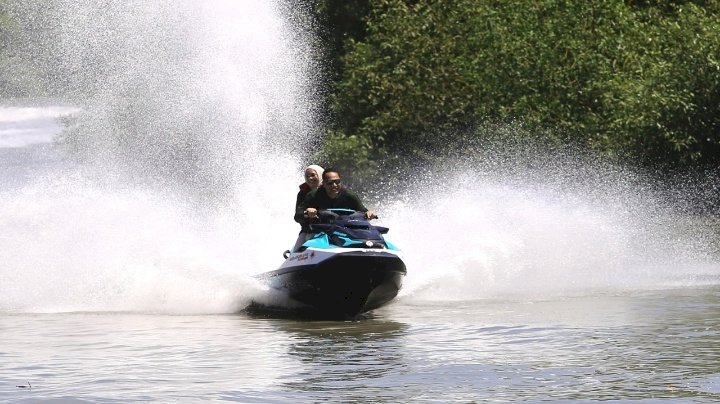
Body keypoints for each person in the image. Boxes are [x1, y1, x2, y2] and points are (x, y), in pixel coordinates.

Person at [295, 167, 376, 225]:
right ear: (323, 183)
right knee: (301, 247)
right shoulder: (312, 195)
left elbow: (363, 212)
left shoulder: (350, 195)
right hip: (316, 231)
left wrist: (369, 214)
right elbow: (297, 216)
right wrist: (307, 212)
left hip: (346, 230)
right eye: (330, 183)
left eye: (337, 182)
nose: (334, 185)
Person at [290, 165, 324, 252]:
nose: (310, 178)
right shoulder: (303, 194)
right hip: (310, 231)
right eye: (307, 176)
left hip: (336, 229)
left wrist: (364, 213)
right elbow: (298, 216)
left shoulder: (332, 189)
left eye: (313, 175)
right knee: (296, 253)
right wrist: (306, 213)